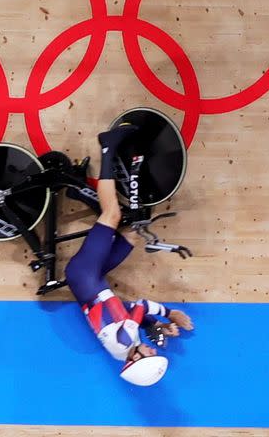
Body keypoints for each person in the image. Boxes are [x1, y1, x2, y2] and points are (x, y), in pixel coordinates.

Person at [64, 123, 194, 386]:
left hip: (84, 274)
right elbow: (127, 312)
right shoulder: (126, 345)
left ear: (135, 360)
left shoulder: (124, 342)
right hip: (94, 279)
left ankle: (108, 146)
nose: (154, 351)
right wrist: (152, 326)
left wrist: (169, 314)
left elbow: (141, 305)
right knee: (132, 233)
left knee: (112, 215)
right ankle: (78, 190)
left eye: (150, 355)